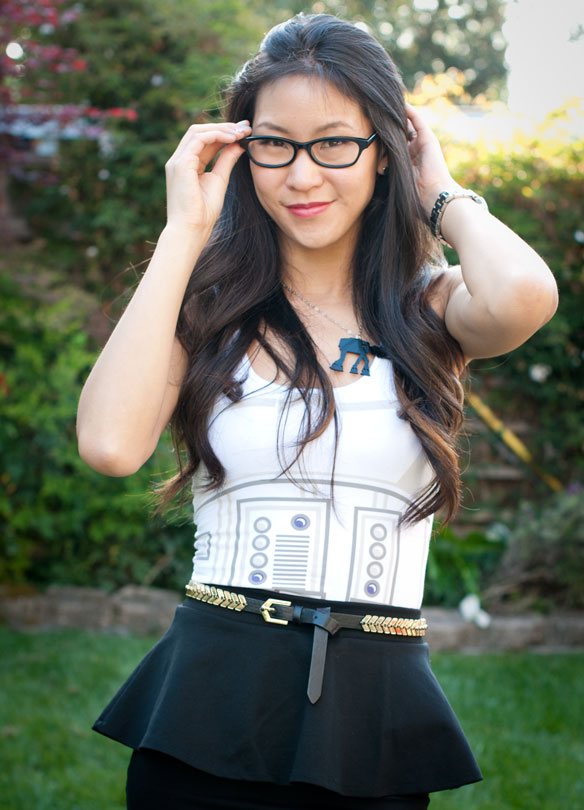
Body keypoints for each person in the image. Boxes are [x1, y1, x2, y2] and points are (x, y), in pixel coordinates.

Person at [77, 13, 558, 810]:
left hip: (375, 717)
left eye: (335, 142)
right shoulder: (204, 310)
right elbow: (108, 444)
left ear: (385, 151)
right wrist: (183, 231)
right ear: (242, 149)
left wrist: (439, 194)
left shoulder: (430, 308)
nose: (302, 176)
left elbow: (525, 296)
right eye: (275, 144)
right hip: (209, 700)